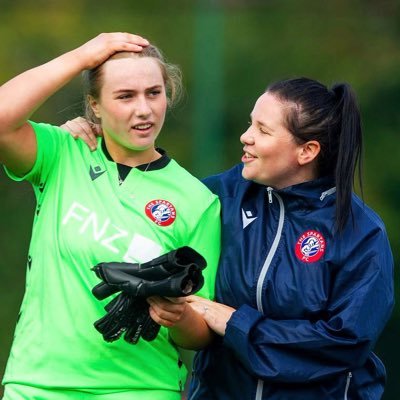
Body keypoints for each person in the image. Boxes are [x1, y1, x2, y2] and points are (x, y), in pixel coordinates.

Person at [67, 76, 394, 399]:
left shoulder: (361, 233)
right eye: (250, 123)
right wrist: (95, 146)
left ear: (306, 151)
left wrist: (236, 323)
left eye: (263, 131)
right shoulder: (220, 197)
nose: (245, 137)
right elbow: (146, 201)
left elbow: (343, 344)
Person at [0, 33, 221, 400]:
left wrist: (177, 313)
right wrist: (81, 56)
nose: (144, 109)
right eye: (125, 96)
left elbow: (202, 331)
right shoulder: (63, 154)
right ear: (94, 106)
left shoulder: (198, 200)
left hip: (139, 388)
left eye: (154, 92)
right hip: (37, 385)